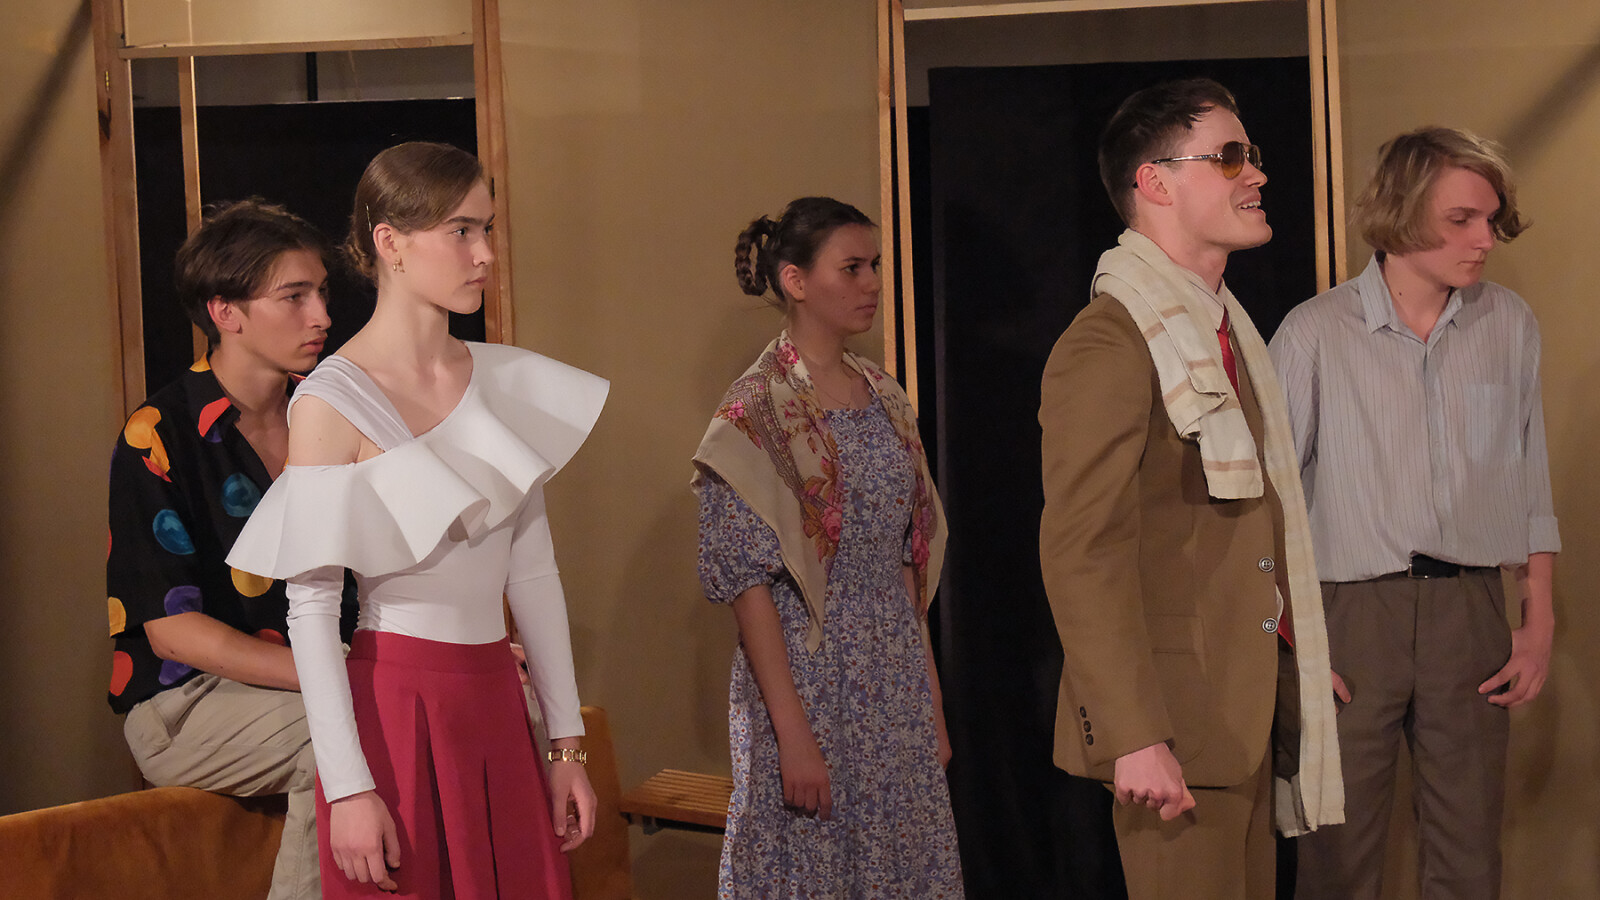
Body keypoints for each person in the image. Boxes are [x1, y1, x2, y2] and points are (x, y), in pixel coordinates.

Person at [228, 141, 607, 898]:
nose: (485, 253)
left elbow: (534, 574)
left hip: (497, 701)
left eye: (487, 228)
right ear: (390, 242)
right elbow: (310, 607)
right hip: (396, 711)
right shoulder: (331, 399)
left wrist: (566, 746)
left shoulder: (505, 379)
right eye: (461, 230)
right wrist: (348, 789)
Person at [1037, 78, 1344, 898]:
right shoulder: (1111, 341)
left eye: (1252, 155)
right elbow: (1081, 551)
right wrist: (1132, 733)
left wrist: (1291, 654)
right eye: (1230, 157)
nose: (1257, 174)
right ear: (1156, 182)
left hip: (1241, 710)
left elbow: (1244, 538)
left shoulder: (1222, 332)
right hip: (1172, 724)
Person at [1271, 127, 1558, 900]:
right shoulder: (1314, 332)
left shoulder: (1509, 324)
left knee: (1469, 854)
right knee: (1336, 856)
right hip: (1348, 616)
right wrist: (1286, 639)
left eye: (1490, 220)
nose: (1485, 239)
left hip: (1470, 613)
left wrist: (1537, 619)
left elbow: (1528, 477)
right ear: (1401, 212)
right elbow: (1266, 502)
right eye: (1462, 219)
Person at [692, 196, 964, 898]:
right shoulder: (754, 411)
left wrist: (930, 700)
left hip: (891, 669)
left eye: (874, 265)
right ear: (796, 281)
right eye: (852, 268)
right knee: (811, 864)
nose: (872, 282)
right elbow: (748, 587)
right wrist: (792, 734)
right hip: (806, 675)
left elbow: (906, 560)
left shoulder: (885, 395)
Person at [106, 198, 348, 900]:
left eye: (322, 293)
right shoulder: (158, 432)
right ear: (226, 312)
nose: (322, 316)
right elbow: (174, 630)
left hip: (322, 671)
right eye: (294, 297)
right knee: (343, 736)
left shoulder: (334, 415)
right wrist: (335, 674)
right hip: (184, 702)